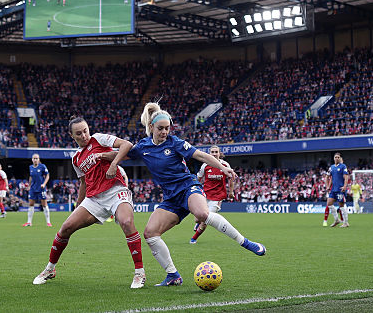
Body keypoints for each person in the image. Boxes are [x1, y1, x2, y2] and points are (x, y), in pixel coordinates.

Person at [110, 103, 265, 287]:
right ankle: (173, 275)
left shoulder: (175, 142)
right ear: (151, 127)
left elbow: (201, 156)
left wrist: (223, 167)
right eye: (160, 128)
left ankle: (245, 242)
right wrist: (98, 156)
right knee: (150, 233)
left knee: (202, 214)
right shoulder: (143, 147)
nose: (164, 132)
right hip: (171, 199)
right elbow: (121, 154)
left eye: (167, 128)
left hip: (188, 187)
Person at [32, 116, 146, 289]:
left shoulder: (99, 138)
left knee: (126, 222)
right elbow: (84, 184)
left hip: (116, 190)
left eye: (85, 130)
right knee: (65, 228)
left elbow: (127, 145)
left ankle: (139, 273)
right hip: (94, 199)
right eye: (79, 133)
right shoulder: (76, 158)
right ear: (72, 136)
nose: (84, 135)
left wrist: (114, 164)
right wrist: (78, 207)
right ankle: (50, 269)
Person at [190, 144, 235, 243]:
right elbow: (198, 178)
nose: (214, 154)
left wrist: (231, 192)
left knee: (207, 220)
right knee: (197, 219)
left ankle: (194, 238)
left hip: (217, 197)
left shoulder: (225, 165)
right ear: (209, 154)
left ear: (219, 154)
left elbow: (231, 178)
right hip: (205, 195)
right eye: (212, 152)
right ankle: (199, 223)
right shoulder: (205, 165)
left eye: (216, 152)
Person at [24, 153, 52, 227]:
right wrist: (29, 185)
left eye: (36, 158)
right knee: (31, 204)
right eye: (34, 158)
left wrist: (44, 184)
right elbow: (31, 177)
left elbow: (47, 176)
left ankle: (48, 222)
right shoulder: (31, 167)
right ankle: (29, 222)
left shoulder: (42, 166)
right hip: (33, 189)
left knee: (44, 205)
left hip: (41, 188)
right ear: (32, 159)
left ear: (39, 159)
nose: (35, 160)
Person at [323, 153, 350, 228]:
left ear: (340, 158)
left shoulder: (343, 166)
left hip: (340, 189)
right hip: (333, 190)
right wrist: (328, 186)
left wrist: (344, 186)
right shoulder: (331, 167)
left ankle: (346, 222)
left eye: (338, 157)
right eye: (335, 157)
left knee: (341, 206)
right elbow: (327, 177)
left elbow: (346, 177)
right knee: (329, 204)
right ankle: (336, 220)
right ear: (334, 158)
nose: (337, 158)